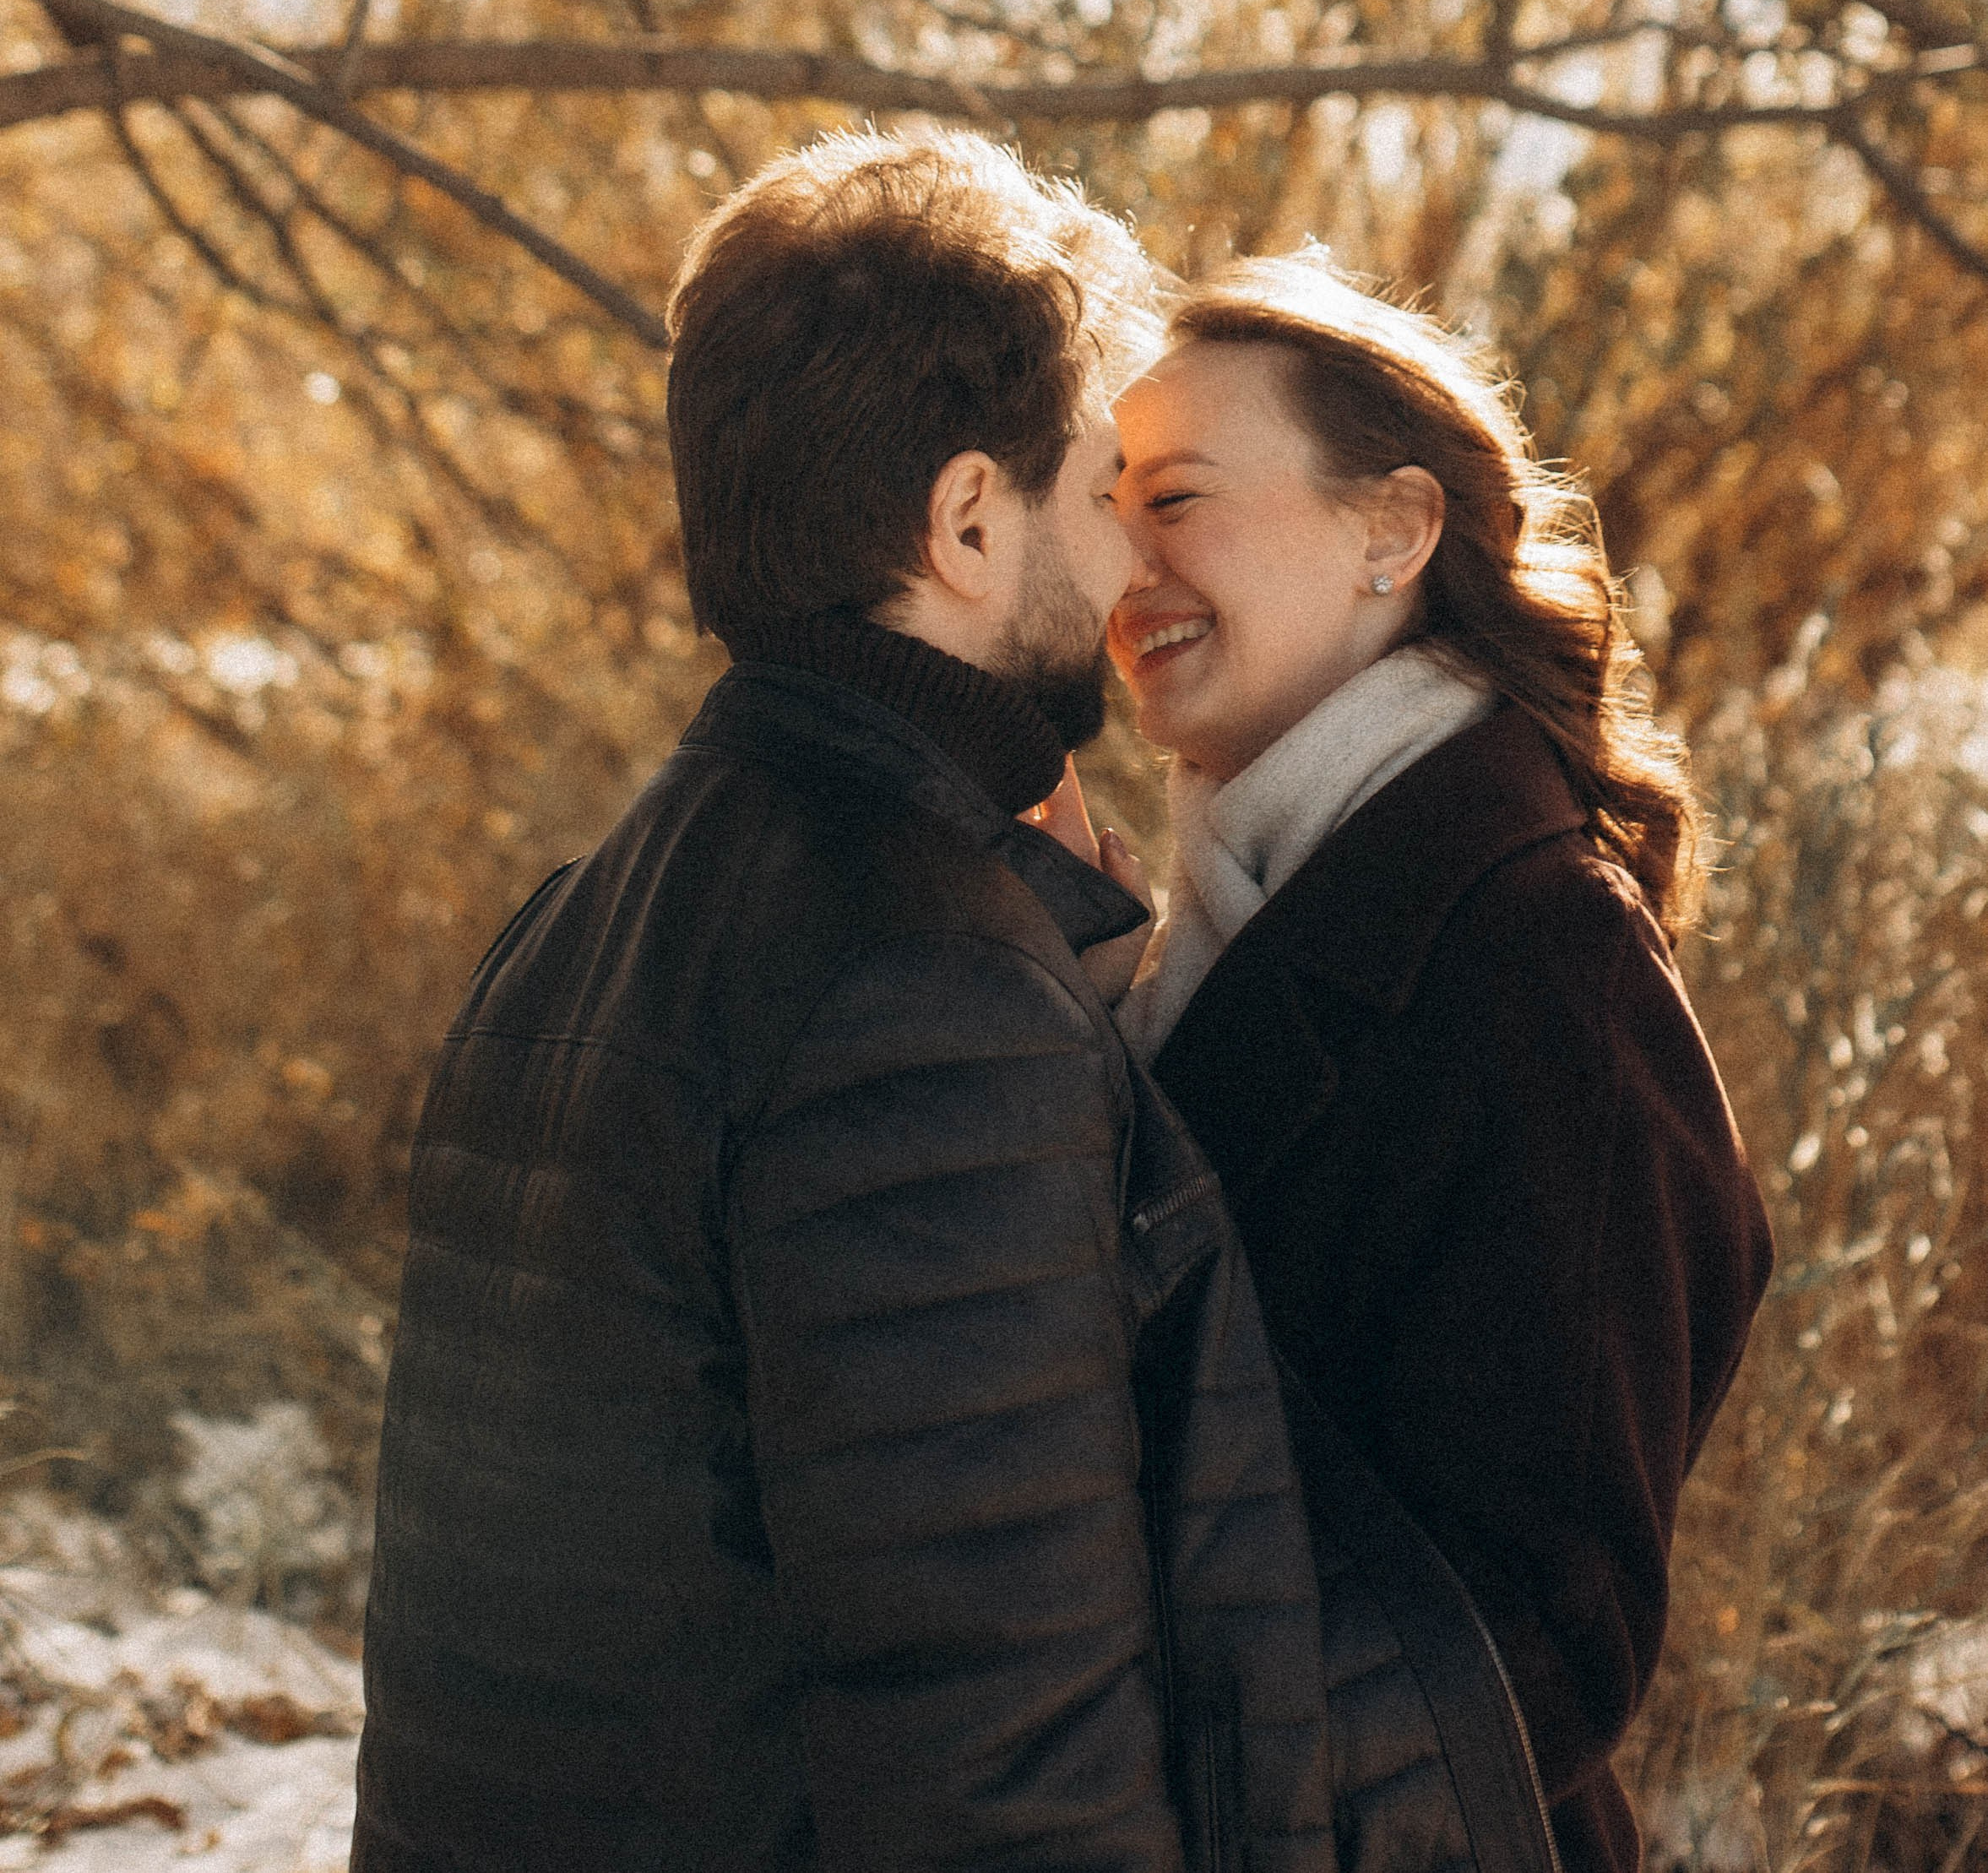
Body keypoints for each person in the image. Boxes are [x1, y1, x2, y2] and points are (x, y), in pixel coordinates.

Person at [350, 133, 1340, 1873]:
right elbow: (1001, 1755)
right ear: (967, 522)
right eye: (1101, 490)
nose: (1132, 560)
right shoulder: (923, 988)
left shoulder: (573, 929)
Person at [1095, 249, 1775, 1873]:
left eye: (1174, 497)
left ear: (1392, 531)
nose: (1120, 558)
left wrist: (1129, 1796)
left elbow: (1535, 1635)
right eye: (1103, 505)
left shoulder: (1546, 961)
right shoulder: (1196, 925)